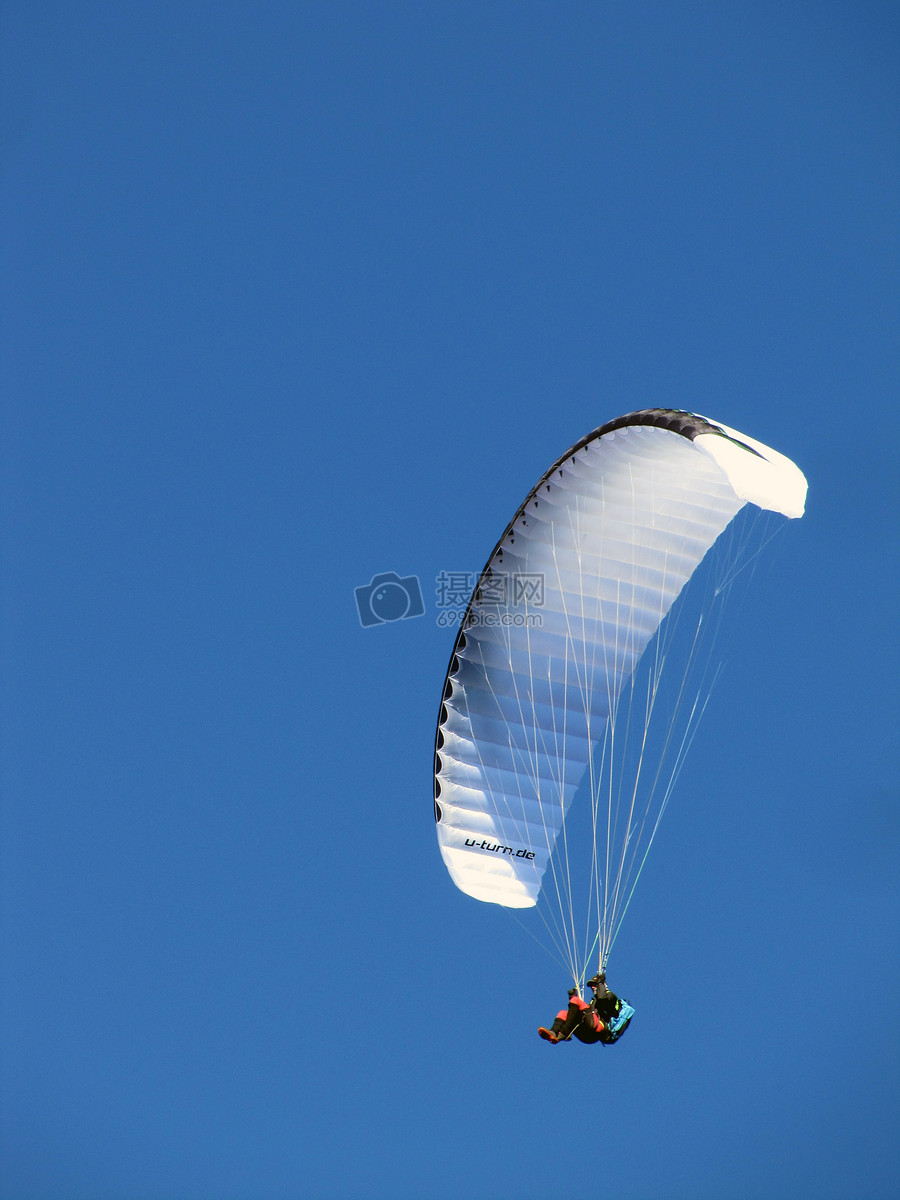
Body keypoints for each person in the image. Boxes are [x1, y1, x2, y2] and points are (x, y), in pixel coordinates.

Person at [538, 972, 634, 1045]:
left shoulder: (611, 997)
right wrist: (572, 997)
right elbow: (579, 1012)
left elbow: (602, 999)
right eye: (591, 985)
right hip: (587, 1035)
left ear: (602, 985)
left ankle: (564, 1033)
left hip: (599, 1029)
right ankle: (553, 1033)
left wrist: (601, 983)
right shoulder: (594, 1002)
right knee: (563, 1013)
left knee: (576, 1001)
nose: (592, 987)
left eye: (595, 984)